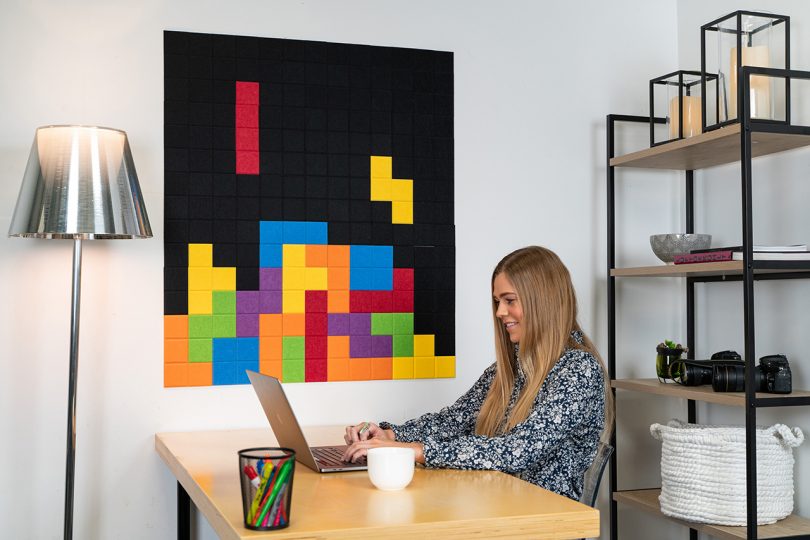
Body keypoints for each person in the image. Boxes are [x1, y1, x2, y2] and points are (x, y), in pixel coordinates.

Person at [342, 245, 614, 501]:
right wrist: (390, 435)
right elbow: (454, 419)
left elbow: (515, 451)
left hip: (542, 522)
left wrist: (414, 452)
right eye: (497, 301)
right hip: (500, 506)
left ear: (542, 301)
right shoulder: (512, 367)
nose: (499, 312)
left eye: (509, 301)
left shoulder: (579, 370)